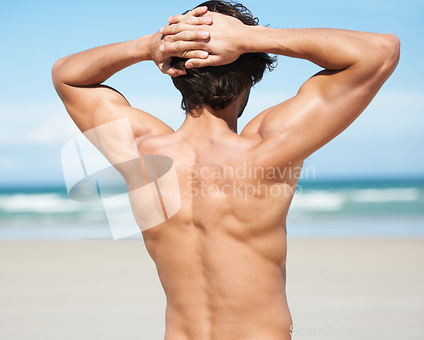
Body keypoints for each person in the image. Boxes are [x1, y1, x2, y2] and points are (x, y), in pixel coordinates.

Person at [52, 1, 400, 339]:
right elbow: (381, 50)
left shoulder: (142, 152)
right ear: (249, 75)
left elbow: (66, 76)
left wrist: (150, 45)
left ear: (178, 75)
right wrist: (252, 38)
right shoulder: (269, 146)